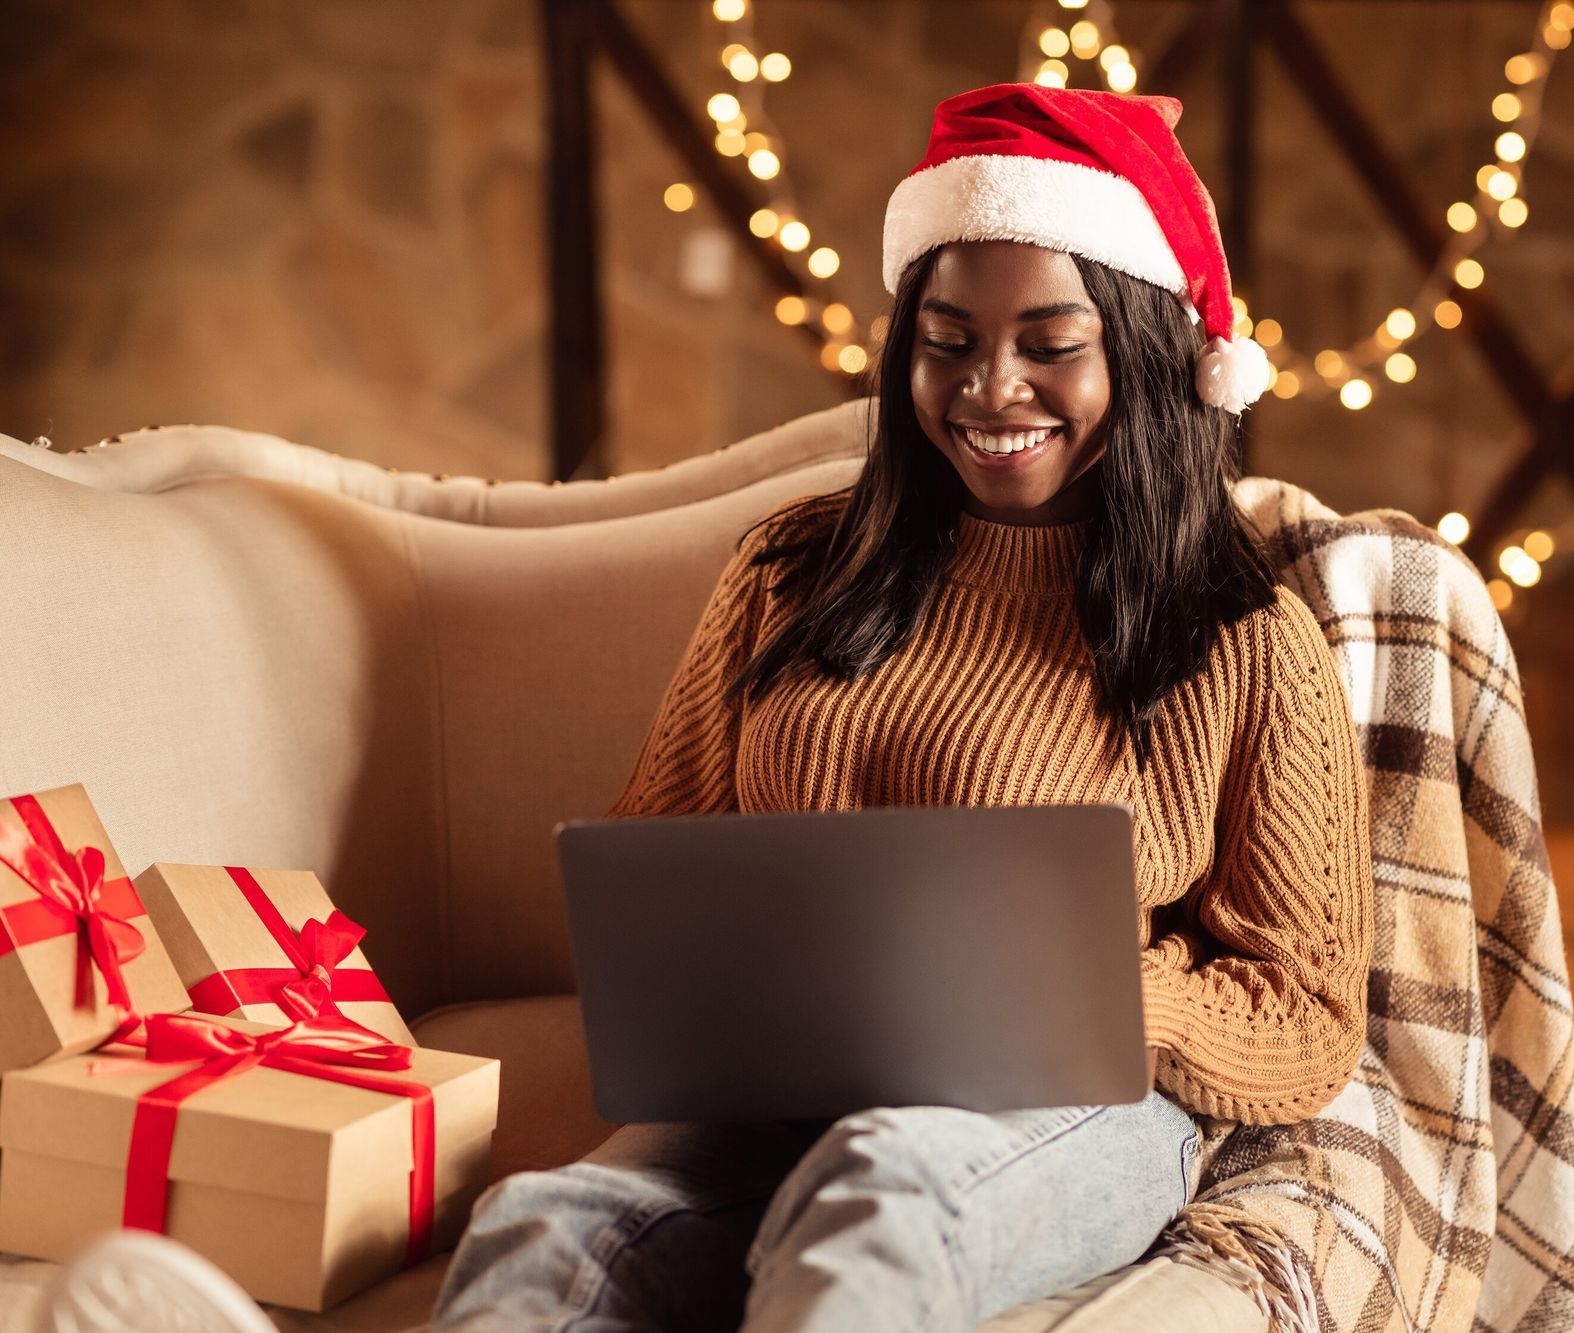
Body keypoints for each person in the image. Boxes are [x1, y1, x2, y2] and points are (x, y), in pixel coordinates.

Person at [33, 82, 1372, 1333]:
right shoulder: (796, 568)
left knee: (883, 1185)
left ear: (1145, 355)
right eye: (947, 342)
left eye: (1048, 345)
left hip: (1079, 1099)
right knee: (552, 1223)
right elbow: (657, 842)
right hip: (780, 1074)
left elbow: (1306, 1013)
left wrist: (1096, 992)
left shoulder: (1242, 637)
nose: (987, 388)